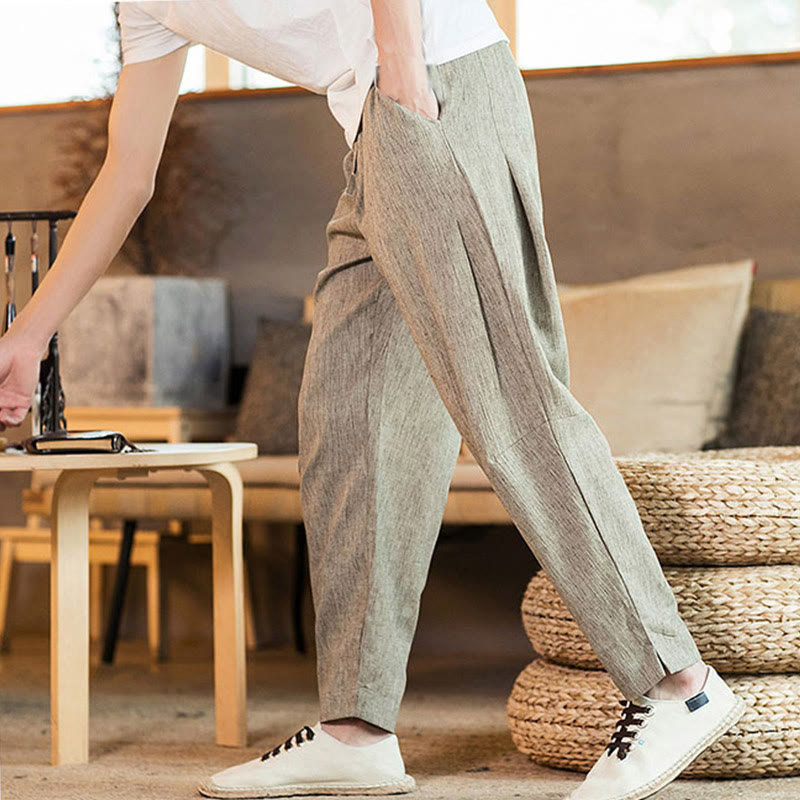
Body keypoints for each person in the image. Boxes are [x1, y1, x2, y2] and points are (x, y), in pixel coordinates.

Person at [0, 2, 746, 799]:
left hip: (432, 82)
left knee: (506, 396)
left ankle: (676, 681)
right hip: (373, 129)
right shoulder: (141, 7)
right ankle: (356, 730)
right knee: (348, 419)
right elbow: (128, 171)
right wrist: (28, 335)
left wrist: (401, 70)